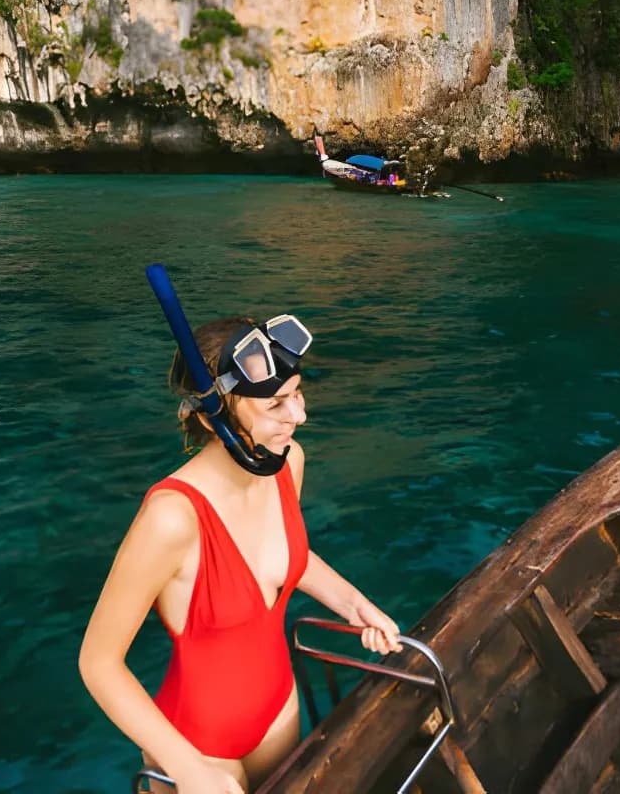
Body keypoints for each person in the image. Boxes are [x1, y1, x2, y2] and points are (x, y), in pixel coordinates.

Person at [79, 309, 401, 794]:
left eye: (297, 394)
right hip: (197, 747)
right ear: (214, 419)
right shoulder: (172, 518)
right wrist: (187, 769)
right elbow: (98, 663)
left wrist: (355, 605)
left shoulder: (287, 463)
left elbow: (284, 554)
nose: (299, 415)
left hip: (280, 711)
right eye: (276, 405)